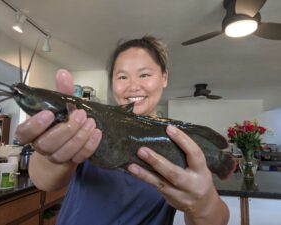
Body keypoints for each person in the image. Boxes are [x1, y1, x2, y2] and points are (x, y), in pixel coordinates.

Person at [15, 36, 229, 225]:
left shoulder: (181, 142)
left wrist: (202, 203)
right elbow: (43, 181)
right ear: (112, 83)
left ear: (164, 77)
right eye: (122, 77)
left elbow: (217, 220)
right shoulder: (83, 122)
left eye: (144, 75)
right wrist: (53, 156)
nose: (133, 86)